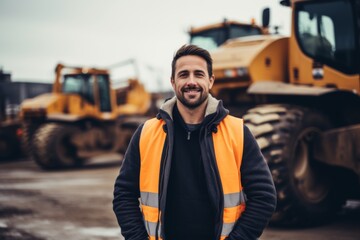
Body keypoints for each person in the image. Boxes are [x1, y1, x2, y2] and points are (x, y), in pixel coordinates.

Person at [113, 44, 277, 240]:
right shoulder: (146, 133)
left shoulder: (238, 132)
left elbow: (264, 197)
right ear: (173, 82)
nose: (191, 81)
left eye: (198, 74)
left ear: (210, 81)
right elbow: (123, 195)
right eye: (183, 75)